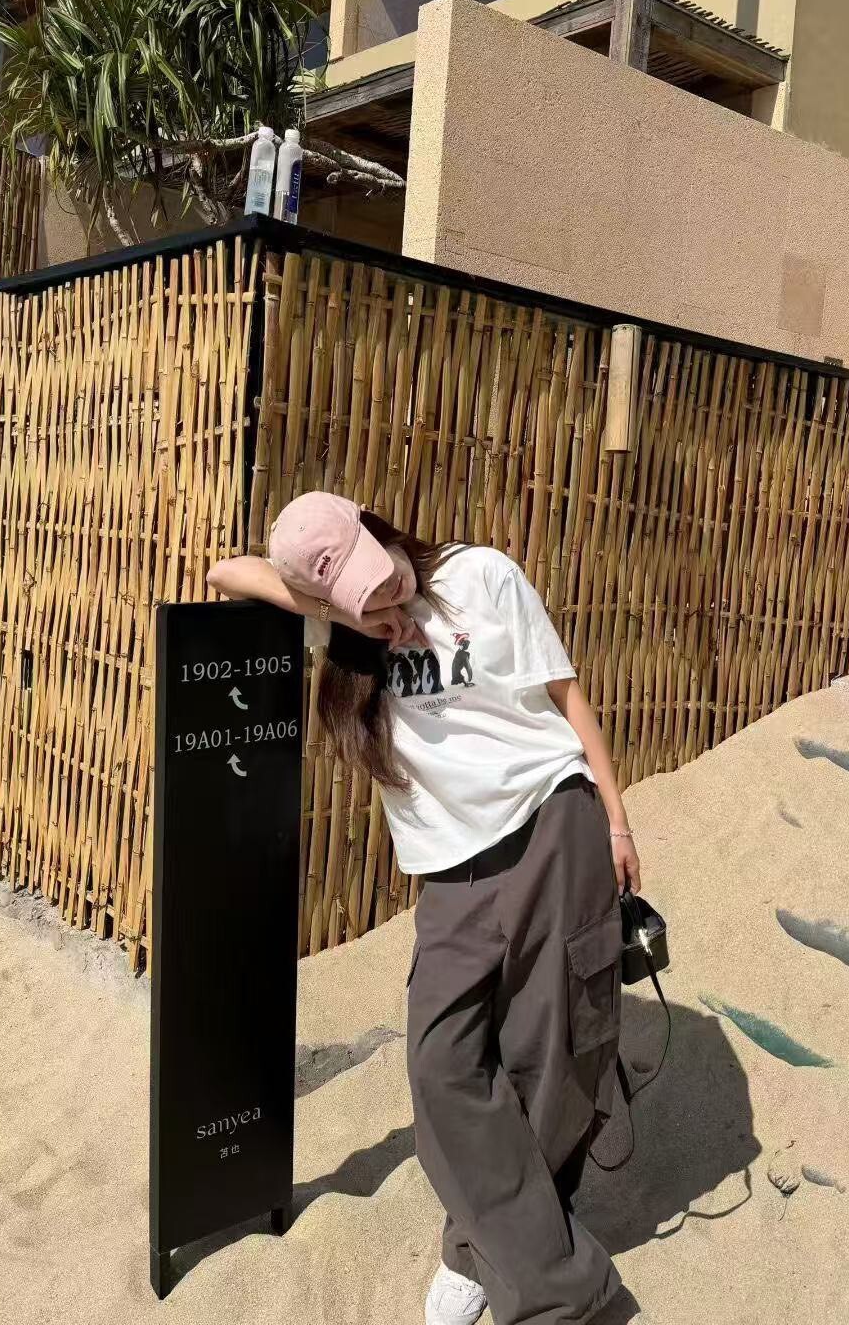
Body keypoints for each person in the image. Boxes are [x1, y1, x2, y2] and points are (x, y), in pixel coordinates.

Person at [208, 491, 642, 1325]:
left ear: (377, 526)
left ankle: (488, 1256)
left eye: (382, 574)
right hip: (450, 869)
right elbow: (225, 573)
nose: (386, 595)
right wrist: (344, 612)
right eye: (361, 594)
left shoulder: (483, 576)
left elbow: (566, 697)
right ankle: (543, 1269)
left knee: (545, 1060)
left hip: (551, 822)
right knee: (442, 1064)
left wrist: (617, 821)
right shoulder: (342, 631)